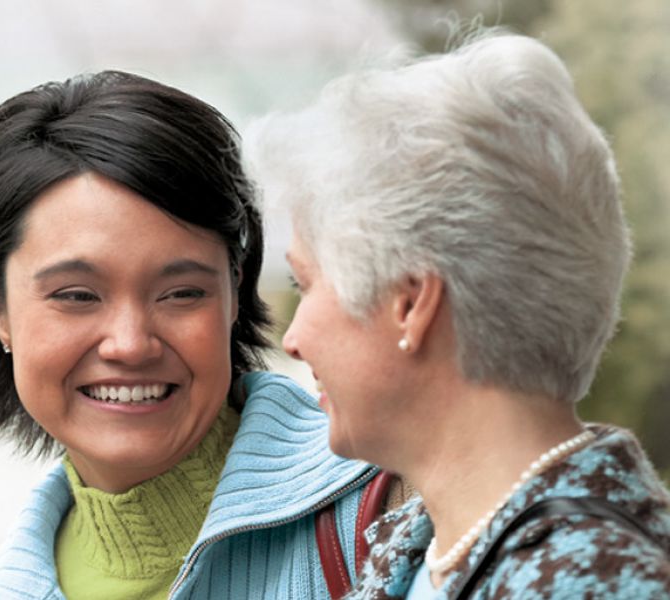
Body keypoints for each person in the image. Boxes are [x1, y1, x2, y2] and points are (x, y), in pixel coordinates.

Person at [247, 32, 670, 599]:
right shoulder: (420, 545)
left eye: (307, 283)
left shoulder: (602, 583)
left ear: (410, 303)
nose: (292, 338)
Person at [0, 71, 391, 599]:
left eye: (180, 294)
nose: (131, 344)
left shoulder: (391, 506)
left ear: (233, 291)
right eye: (77, 295)